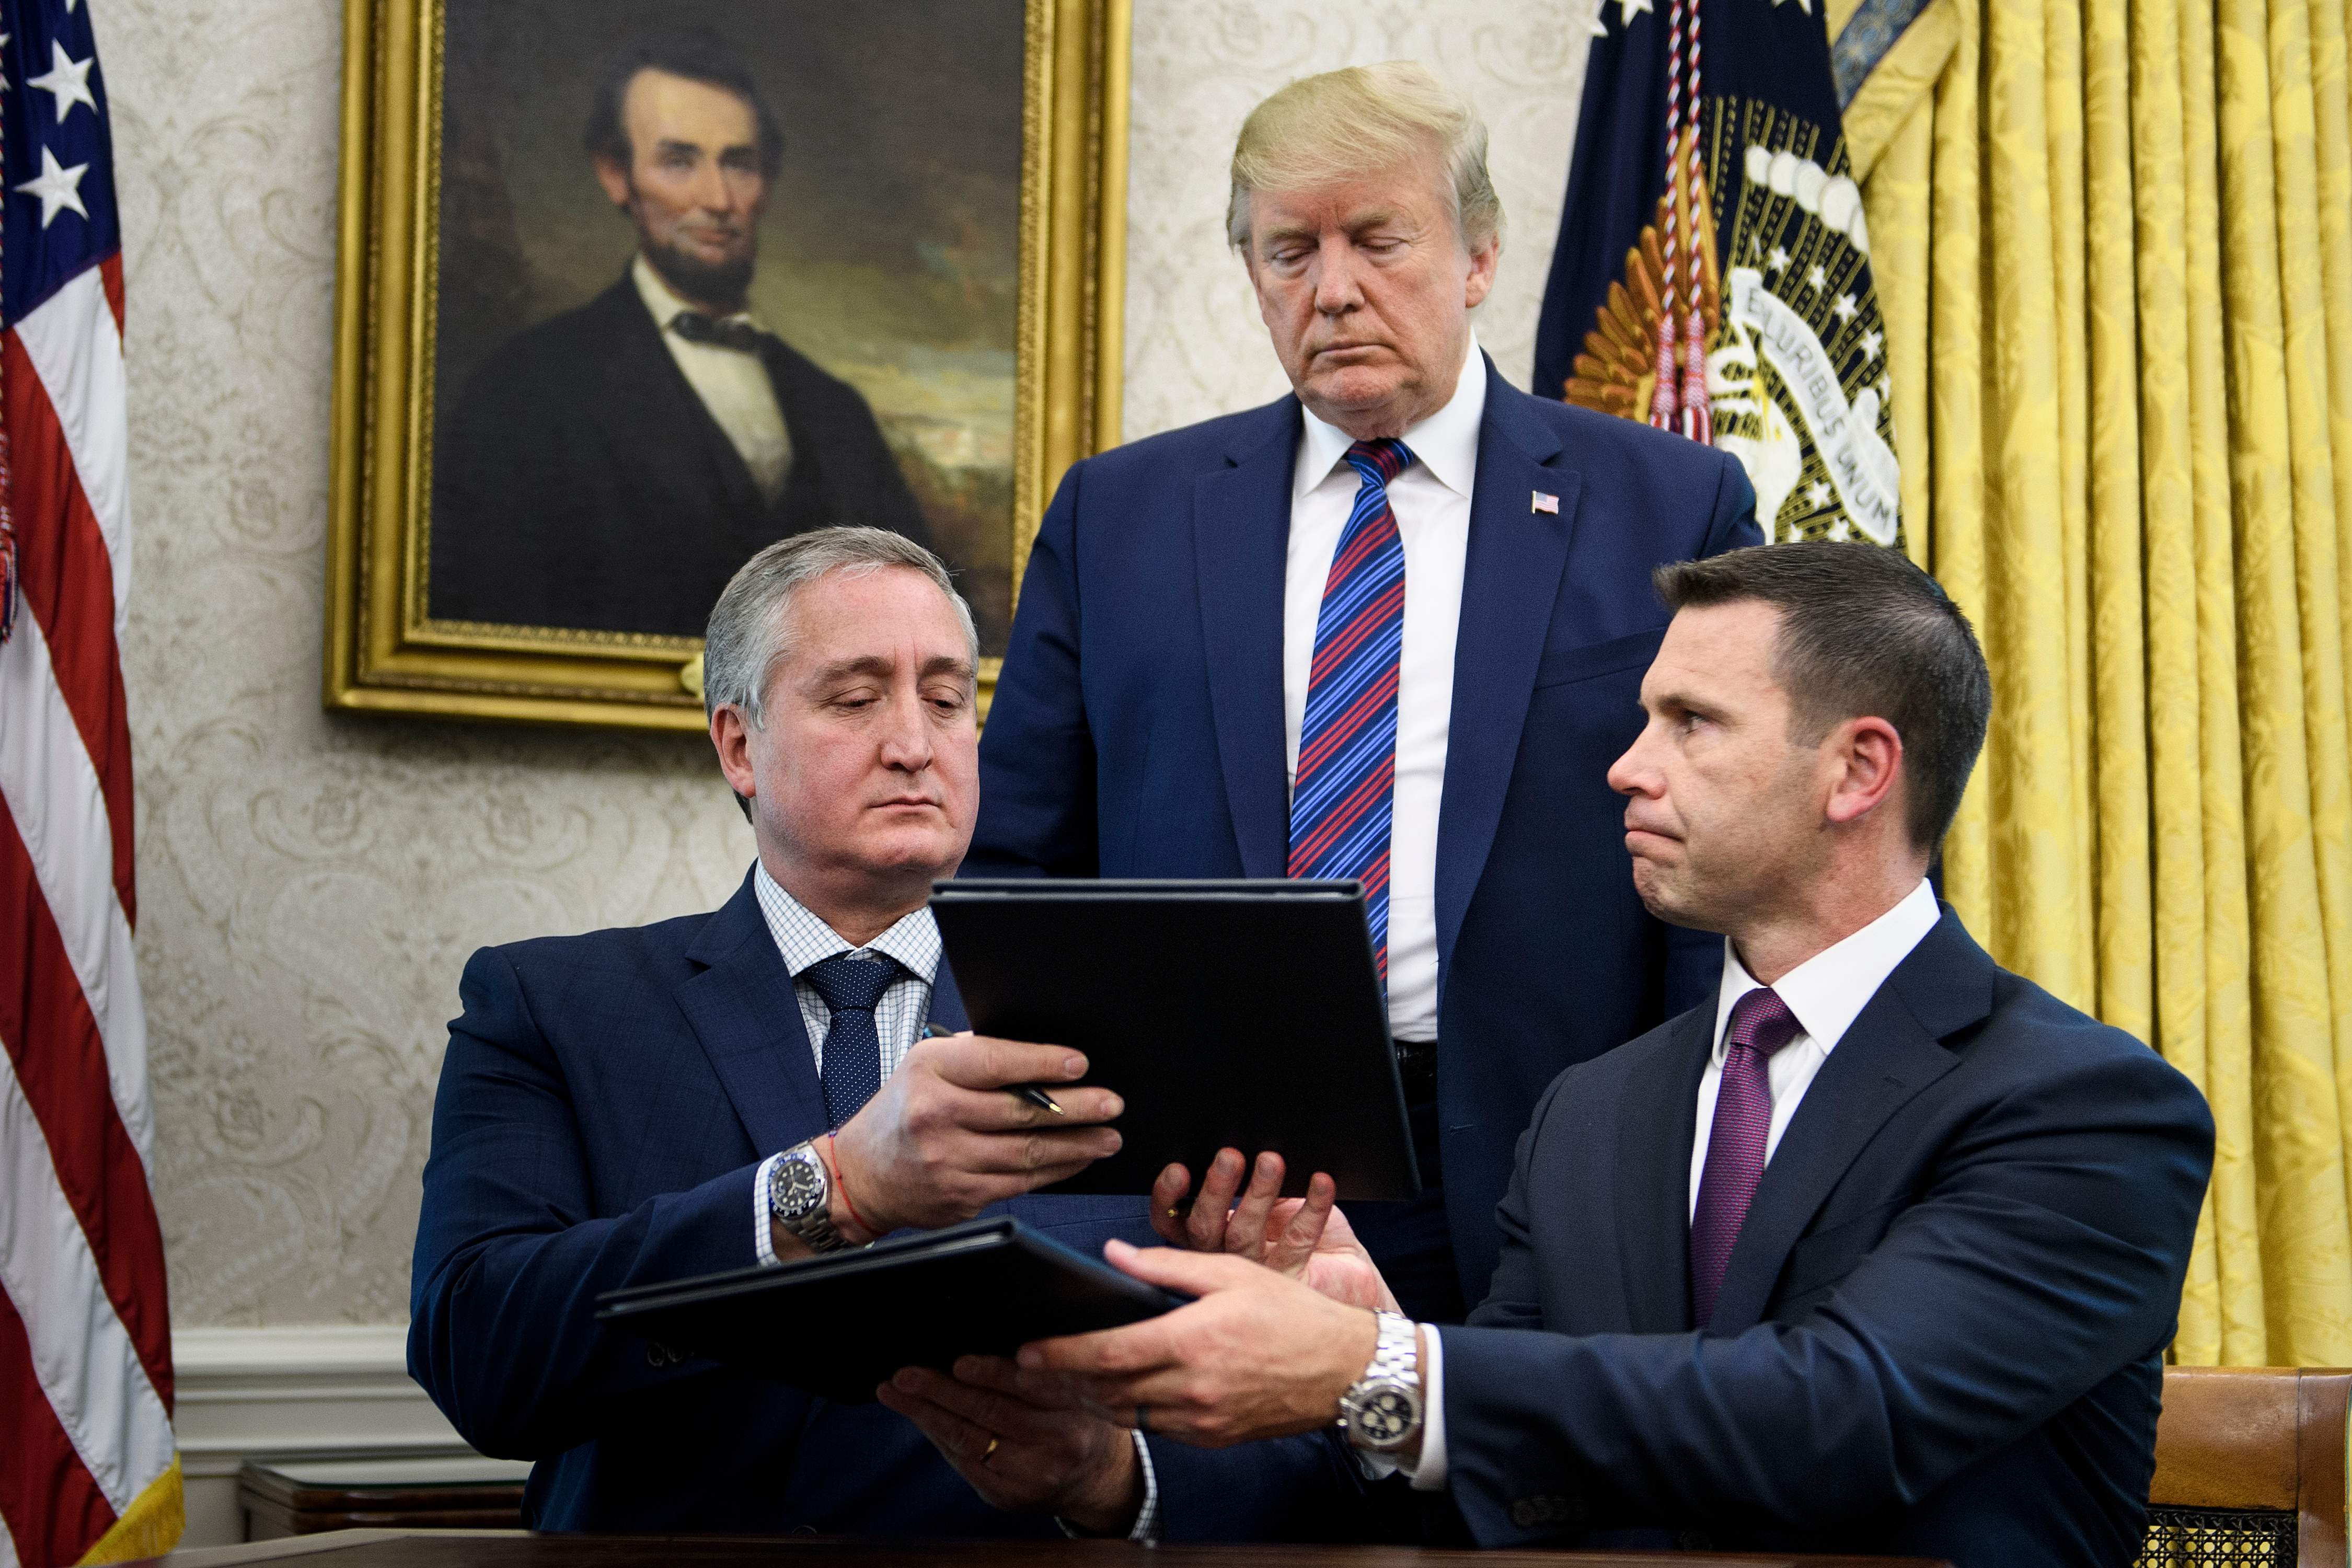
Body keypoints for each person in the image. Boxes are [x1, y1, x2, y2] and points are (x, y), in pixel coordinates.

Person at [947, 542, 2213, 1565]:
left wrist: (1390, 1365)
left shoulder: (2082, 1107)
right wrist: (1322, 1380)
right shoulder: (1592, 1112)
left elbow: (1844, 1413)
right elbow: (1501, 1498)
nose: (1623, 765)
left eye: (1688, 723)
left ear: (1856, 769)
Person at [967, 62, 1761, 1321]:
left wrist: (1679, 1154)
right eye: (1288, 250)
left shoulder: (1666, 503)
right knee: (1230, 1512)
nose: (1330, 288)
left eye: (1375, 240)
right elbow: (1016, 870)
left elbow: (1722, 855)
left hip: (1542, 1154)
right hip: (1208, 1172)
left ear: (1477, 255)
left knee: (1522, 1505)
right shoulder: (1118, 518)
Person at [408, 529, 1357, 1538]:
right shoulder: (556, 1003)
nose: (914, 742)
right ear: (739, 745)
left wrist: (1109, 1480)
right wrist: (836, 1188)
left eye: (948, 700)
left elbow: (1317, 1457)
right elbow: (480, 1359)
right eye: (856, 699)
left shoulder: (1148, 1019)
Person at [428, 31, 927, 637]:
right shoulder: (526, 390)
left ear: (766, 184)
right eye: (679, 161)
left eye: (738, 163)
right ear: (617, 175)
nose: (717, 199)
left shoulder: (836, 412)